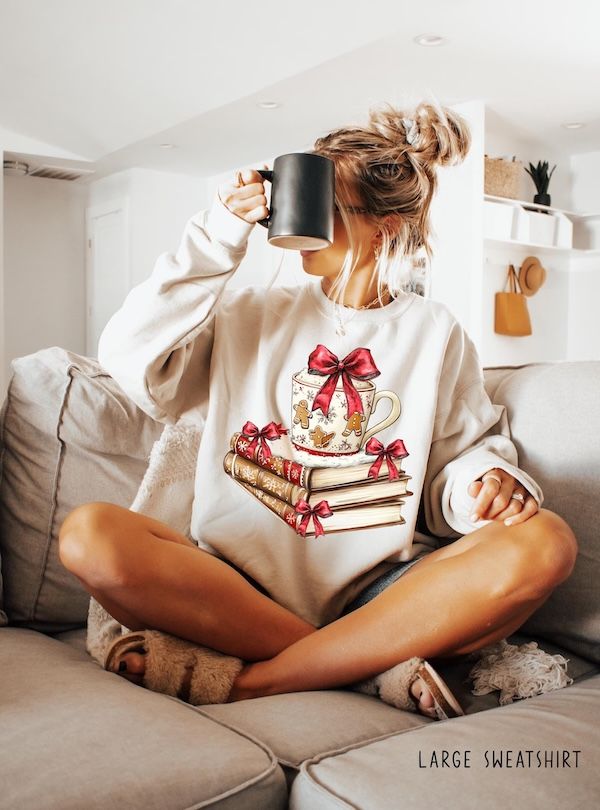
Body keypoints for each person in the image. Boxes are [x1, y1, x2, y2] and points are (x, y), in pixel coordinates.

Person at [58, 100, 577, 720]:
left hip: (380, 595)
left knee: (545, 540)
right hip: (234, 586)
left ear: (383, 227)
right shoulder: (248, 311)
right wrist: (216, 240)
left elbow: (454, 467)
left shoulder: (435, 331)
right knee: (90, 535)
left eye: (323, 203)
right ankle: (365, 668)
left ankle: (256, 680)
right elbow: (127, 355)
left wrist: (482, 485)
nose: (295, 216)